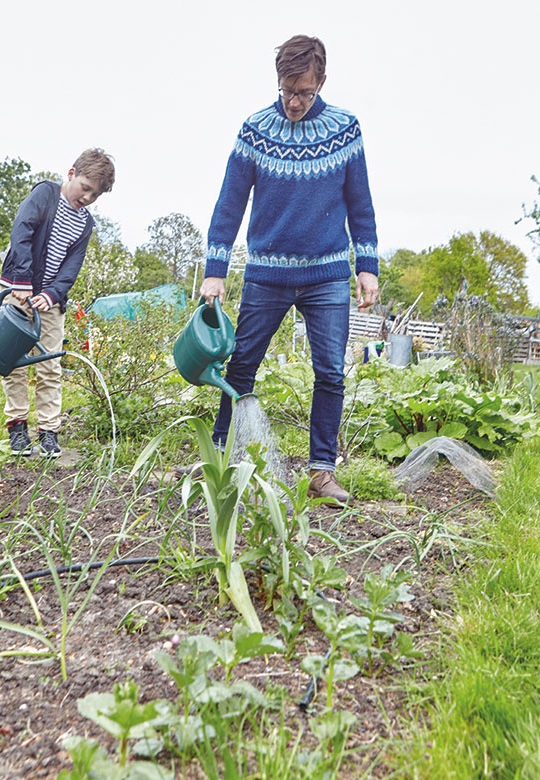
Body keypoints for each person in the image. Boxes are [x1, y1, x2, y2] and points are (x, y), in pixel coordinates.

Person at [200, 34, 379, 504]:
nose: (294, 101)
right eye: (286, 90)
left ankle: (321, 471)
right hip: (266, 274)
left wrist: (368, 266)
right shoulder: (255, 130)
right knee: (240, 368)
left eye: (304, 91)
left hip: (326, 275)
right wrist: (215, 269)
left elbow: (360, 206)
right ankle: (219, 458)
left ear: (321, 80)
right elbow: (228, 205)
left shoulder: (346, 130)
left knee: (331, 373)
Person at [0, 148, 115, 458]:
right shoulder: (45, 195)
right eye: (85, 188)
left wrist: (51, 295)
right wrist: (22, 281)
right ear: (72, 173)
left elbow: (71, 268)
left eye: (96, 195)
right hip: (18, 293)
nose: (88, 197)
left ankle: (49, 431)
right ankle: (17, 428)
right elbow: (21, 232)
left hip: (50, 304)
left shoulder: (84, 224)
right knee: (14, 363)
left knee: (49, 365)